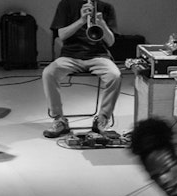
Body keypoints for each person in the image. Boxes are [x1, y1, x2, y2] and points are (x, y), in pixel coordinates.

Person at [42, 0, 121, 139]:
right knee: (49, 73)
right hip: (70, 55)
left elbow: (111, 42)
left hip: (98, 56)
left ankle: (102, 119)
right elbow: (62, 35)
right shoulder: (66, 4)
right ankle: (59, 120)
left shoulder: (106, 7)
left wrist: (101, 23)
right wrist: (82, 20)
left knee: (115, 75)